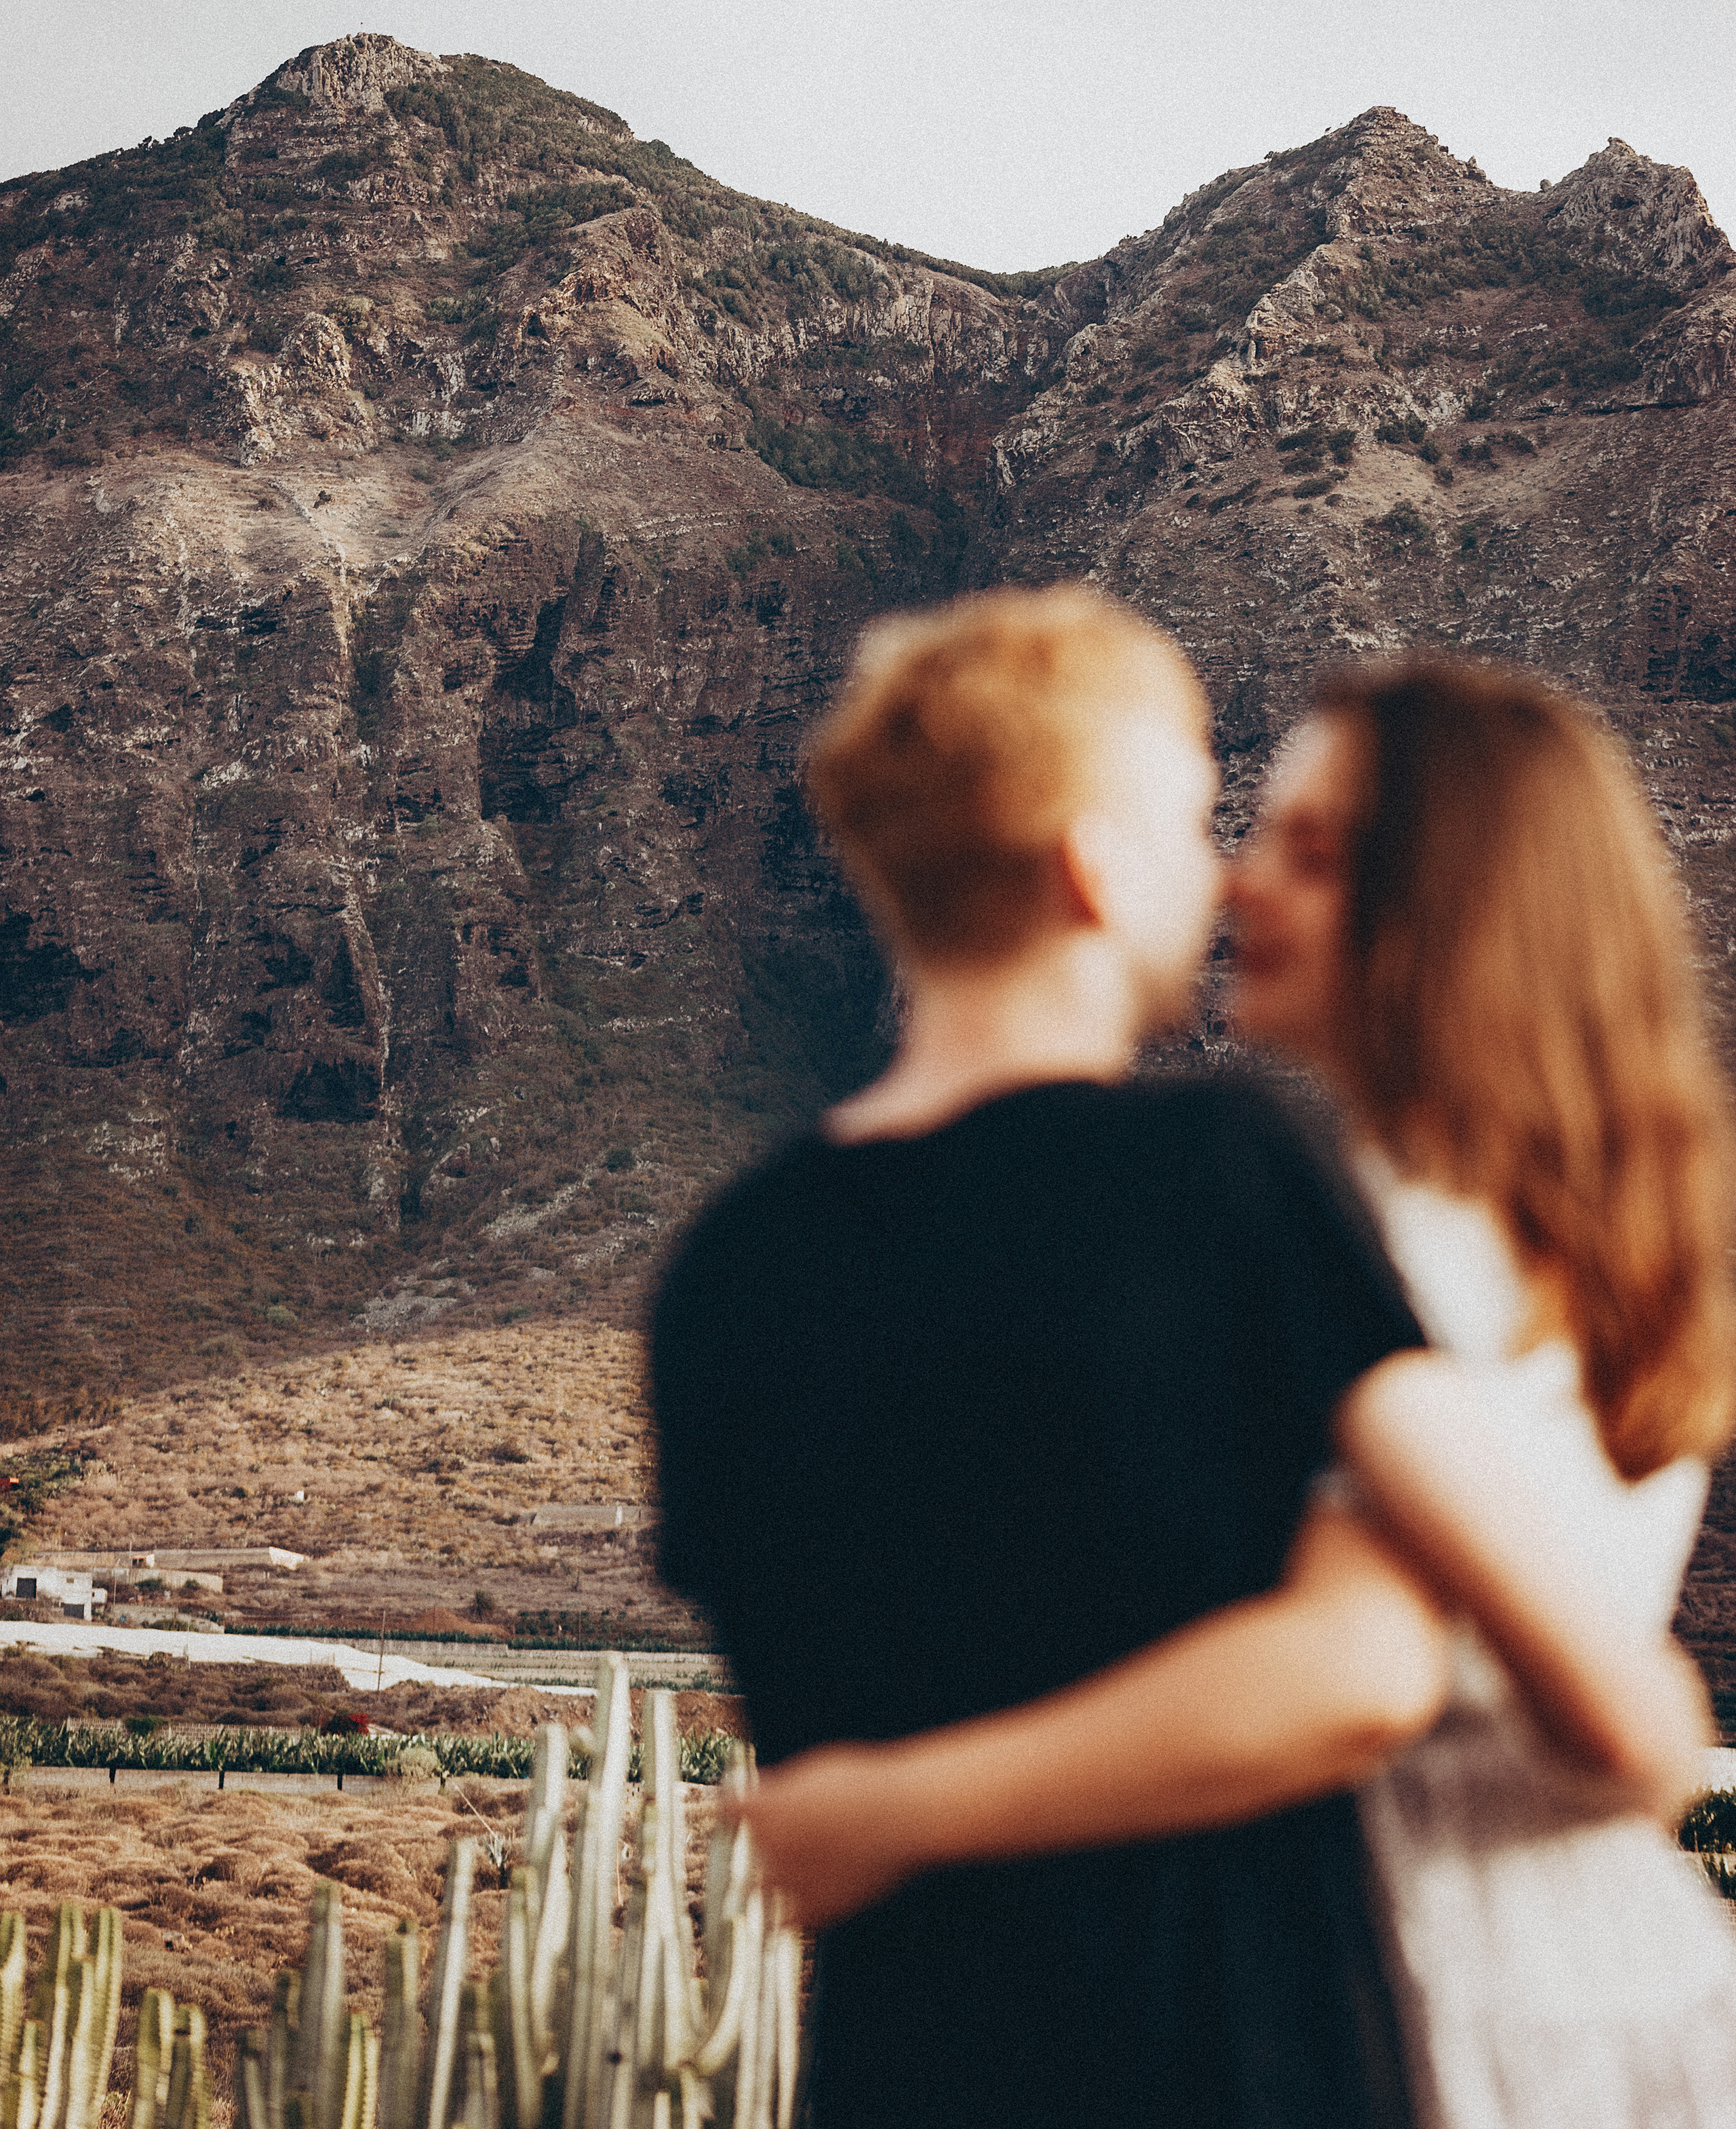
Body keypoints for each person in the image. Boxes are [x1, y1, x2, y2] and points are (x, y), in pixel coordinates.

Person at [652, 594, 1703, 2129]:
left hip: (929, 2057)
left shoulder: (727, 1256)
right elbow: (1482, 1688)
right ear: (1089, 864)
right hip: (1269, 2044)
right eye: (1217, 823)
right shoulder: (1226, 1180)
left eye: (1296, 844)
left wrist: (881, 1812)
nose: (1228, 880)